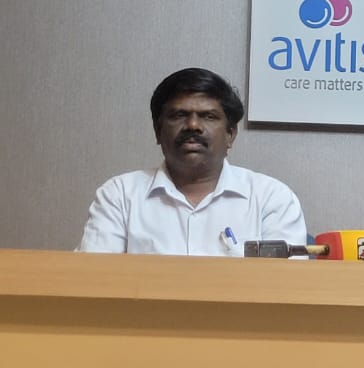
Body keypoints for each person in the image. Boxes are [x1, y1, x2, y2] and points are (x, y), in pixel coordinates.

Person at [76, 68, 307, 255]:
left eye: (209, 116)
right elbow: (93, 279)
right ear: (158, 131)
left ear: (230, 134)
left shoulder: (271, 198)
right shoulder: (120, 196)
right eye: (179, 115)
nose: (193, 125)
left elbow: (288, 287)